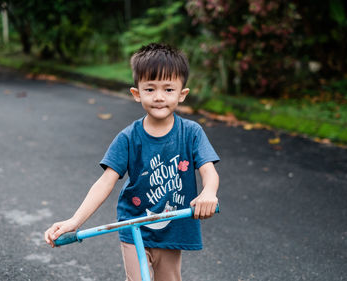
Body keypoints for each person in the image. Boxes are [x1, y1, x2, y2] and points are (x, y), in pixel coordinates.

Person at [44, 43, 220, 281]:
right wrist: (75, 221)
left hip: (172, 228)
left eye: (168, 89)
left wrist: (209, 192)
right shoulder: (128, 138)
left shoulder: (191, 133)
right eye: (150, 89)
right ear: (137, 93)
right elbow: (105, 182)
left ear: (182, 94)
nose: (159, 97)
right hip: (134, 226)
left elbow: (209, 170)